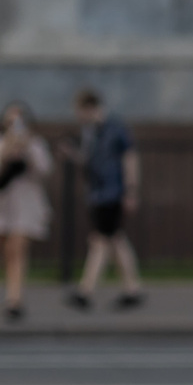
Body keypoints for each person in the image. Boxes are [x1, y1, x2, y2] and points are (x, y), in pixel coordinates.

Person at [65, 88, 144, 311]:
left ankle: (86, 290)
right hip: (98, 194)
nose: (79, 117)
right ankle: (132, 289)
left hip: (113, 192)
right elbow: (90, 162)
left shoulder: (116, 128)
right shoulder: (91, 132)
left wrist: (131, 190)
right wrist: (73, 154)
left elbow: (130, 158)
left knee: (100, 240)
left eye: (80, 111)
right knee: (115, 240)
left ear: (89, 108)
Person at [0, 103, 54, 322]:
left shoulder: (35, 143)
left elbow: (44, 169)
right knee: (7, 252)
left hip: (26, 204)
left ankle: (14, 300)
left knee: (17, 248)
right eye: (11, 120)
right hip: (3, 204)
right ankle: (12, 289)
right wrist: (9, 147)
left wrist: (27, 147)